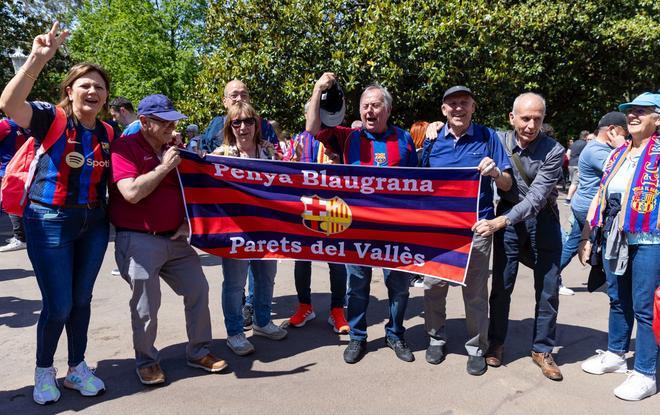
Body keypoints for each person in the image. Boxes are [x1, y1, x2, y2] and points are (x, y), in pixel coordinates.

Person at [0, 22, 112, 404]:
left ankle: (77, 368)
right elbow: (10, 104)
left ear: (106, 95)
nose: (93, 91)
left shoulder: (108, 133)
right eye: (85, 85)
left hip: (94, 222)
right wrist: (37, 58)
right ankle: (44, 370)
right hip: (48, 220)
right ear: (70, 91)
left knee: (82, 300)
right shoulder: (52, 119)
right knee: (59, 303)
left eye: (99, 86)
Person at [110, 94, 228, 385]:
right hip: (138, 239)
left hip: (175, 239)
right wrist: (164, 167)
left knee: (198, 289)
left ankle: (199, 352)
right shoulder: (124, 148)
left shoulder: (174, 148)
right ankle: (147, 361)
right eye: (165, 122)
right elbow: (131, 193)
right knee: (146, 305)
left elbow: (192, 191)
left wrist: (189, 221)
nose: (172, 127)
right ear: (145, 122)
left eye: (174, 121)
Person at [306, 73, 418, 364]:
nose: (370, 110)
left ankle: (395, 334)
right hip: (356, 229)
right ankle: (357, 337)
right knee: (357, 287)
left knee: (398, 287)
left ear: (388, 110)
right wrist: (319, 88)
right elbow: (311, 126)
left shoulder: (404, 139)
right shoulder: (347, 137)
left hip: (395, 230)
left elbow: (420, 183)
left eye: (376, 105)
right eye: (365, 105)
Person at [420, 86, 512, 376]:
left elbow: (508, 184)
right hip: (439, 231)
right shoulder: (432, 141)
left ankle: (476, 348)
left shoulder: (488, 137)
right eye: (452, 104)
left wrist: (496, 172)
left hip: (476, 228)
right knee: (434, 287)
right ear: (443, 110)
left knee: (474, 293)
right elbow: (415, 182)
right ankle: (436, 338)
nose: (458, 108)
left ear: (473, 107)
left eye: (464, 103)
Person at [473, 92, 565, 381]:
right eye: (525, 118)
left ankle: (542, 349)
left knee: (548, 289)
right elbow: (464, 127)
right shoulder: (497, 139)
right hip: (510, 221)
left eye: (537, 119)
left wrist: (500, 221)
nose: (530, 125)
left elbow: (537, 198)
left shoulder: (553, 150)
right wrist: (436, 126)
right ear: (512, 118)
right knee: (501, 285)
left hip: (542, 219)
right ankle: (496, 342)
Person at [578, 92, 660, 401]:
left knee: (645, 307)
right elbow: (600, 195)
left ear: (658, 119)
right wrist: (586, 237)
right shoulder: (618, 153)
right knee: (617, 299)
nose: (633, 116)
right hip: (615, 236)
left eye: (642, 111)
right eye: (630, 111)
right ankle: (615, 353)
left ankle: (645, 373)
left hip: (651, 239)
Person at [211, 101, 287, 356]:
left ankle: (262, 322)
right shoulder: (220, 156)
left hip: (267, 229)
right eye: (237, 122)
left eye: (249, 121)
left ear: (257, 124)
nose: (243, 127)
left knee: (265, 278)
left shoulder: (269, 152)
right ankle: (235, 332)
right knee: (235, 284)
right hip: (235, 231)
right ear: (230, 127)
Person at [287, 101, 349, 334]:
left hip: (334, 207)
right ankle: (304, 306)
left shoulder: (340, 137)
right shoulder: (298, 140)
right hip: (305, 206)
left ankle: (337, 310)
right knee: (302, 259)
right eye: (309, 113)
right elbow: (285, 170)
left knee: (337, 259)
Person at [558, 112, 628, 295]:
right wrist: (622, 148)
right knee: (606, 244)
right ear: (613, 130)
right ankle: (609, 281)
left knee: (574, 243)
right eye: (625, 131)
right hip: (590, 207)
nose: (628, 136)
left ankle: (550, 277)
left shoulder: (599, 148)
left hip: (585, 205)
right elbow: (625, 170)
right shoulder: (597, 151)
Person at [200, 79, 279, 153]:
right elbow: (203, 150)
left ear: (249, 99)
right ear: (225, 102)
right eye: (234, 95)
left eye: (244, 95)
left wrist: (272, 152)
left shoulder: (264, 125)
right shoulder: (216, 124)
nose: (239, 99)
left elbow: (279, 157)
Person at [0, 117, 28, 252]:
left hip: (8, 170)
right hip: (23, 168)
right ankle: (21, 236)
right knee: (17, 203)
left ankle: (20, 238)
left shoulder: (5, 124)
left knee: (8, 204)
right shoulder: (28, 123)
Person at [565, 130, 589, 204]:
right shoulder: (586, 144)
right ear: (585, 136)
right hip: (578, 165)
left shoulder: (574, 143)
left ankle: (573, 198)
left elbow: (567, 154)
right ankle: (568, 199)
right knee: (575, 183)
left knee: (573, 181)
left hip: (571, 165)